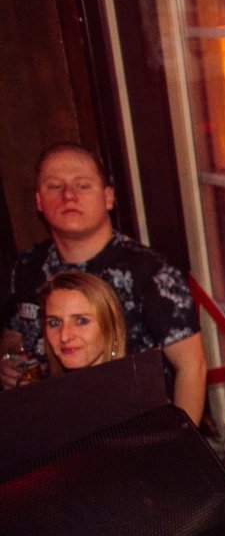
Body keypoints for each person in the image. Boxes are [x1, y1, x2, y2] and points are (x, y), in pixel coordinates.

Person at [1, 142, 206, 424]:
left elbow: (192, 366)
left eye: (82, 185)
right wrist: (8, 361)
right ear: (38, 201)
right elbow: (13, 336)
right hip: (53, 425)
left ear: (108, 197)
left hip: (136, 425)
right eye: (54, 186)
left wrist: (181, 441)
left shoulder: (149, 272)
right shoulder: (28, 266)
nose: (68, 195)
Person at [39, 271, 127, 374]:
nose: (64, 337)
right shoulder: (44, 384)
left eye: (82, 321)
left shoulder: (137, 382)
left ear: (111, 326)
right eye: (55, 323)